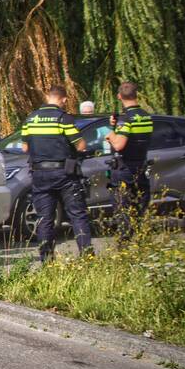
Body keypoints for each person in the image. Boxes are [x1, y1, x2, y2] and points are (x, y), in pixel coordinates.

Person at [20, 85, 93, 261]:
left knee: (45, 218)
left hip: (39, 175)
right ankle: (87, 257)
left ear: (47, 97)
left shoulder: (30, 119)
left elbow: (24, 148)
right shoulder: (63, 119)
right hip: (64, 175)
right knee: (77, 215)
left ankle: (46, 260)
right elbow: (81, 146)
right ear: (64, 99)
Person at [104, 81, 154, 240]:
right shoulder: (146, 117)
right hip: (141, 166)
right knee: (140, 207)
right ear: (136, 95)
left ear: (119, 96)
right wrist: (115, 127)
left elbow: (119, 145)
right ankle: (140, 241)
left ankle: (124, 244)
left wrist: (110, 133)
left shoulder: (126, 119)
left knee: (122, 208)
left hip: (124, 169)